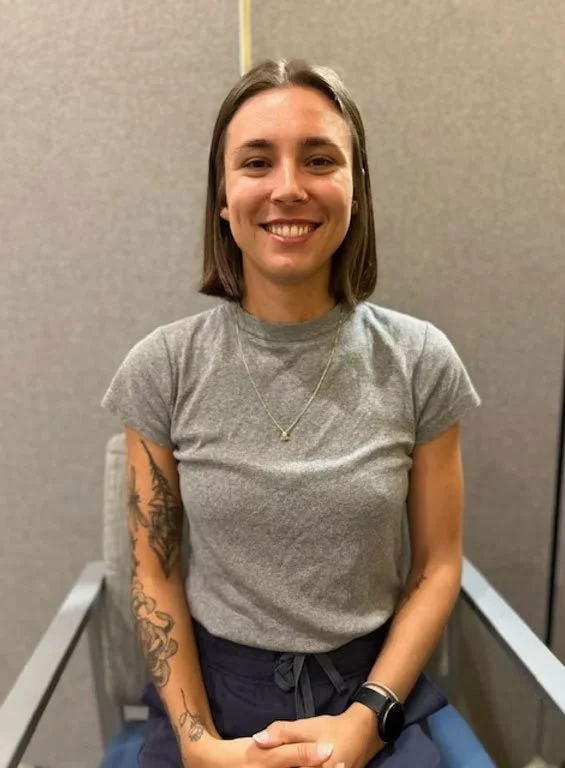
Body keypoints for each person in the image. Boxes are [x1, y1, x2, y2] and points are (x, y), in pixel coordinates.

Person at [101, 58, 481, 768]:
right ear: (221, 195)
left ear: (355, 189)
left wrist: (366, 719)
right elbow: (153, 574)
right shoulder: (163, 368)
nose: (287, 188)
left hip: (373, 695)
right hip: (212, 701)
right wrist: (197, 744)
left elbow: (436, 566)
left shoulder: (420, 361)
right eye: (255, 162)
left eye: (318, 159)